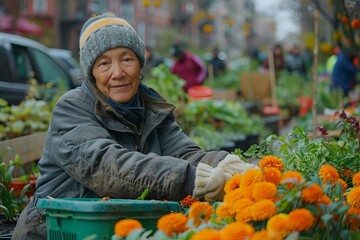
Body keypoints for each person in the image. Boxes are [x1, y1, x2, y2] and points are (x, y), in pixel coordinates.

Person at [12, 12, 258, 239]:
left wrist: (229, 166)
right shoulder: (72, 108)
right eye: (104, 63)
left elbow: (186, 153)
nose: (117, 72)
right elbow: (105, 166)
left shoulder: (150, 108)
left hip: (118, 224)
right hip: (58, 228)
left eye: (127, 59)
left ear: (140, 64)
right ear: (91, 73)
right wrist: (190, 178)